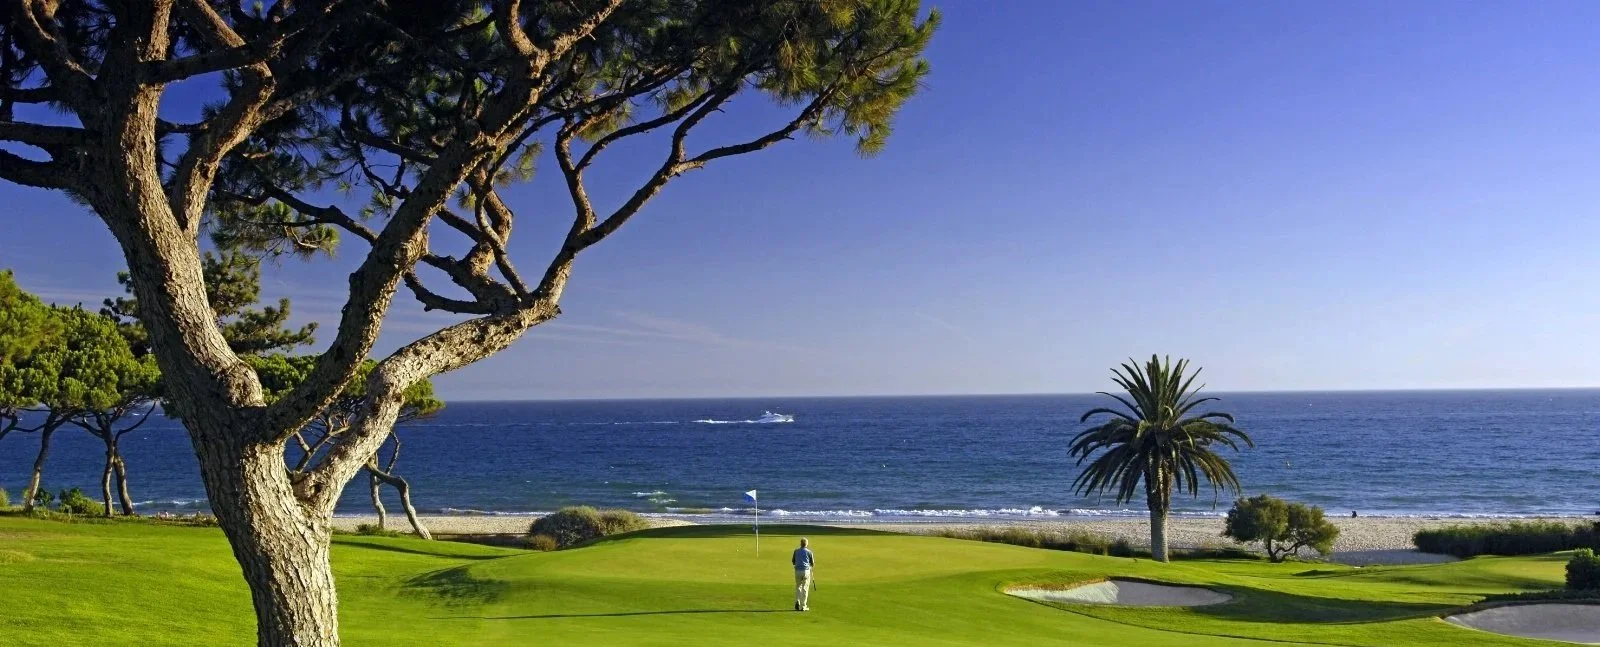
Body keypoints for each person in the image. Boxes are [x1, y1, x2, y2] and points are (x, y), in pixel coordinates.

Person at [792, 537, 815, 611]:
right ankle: (803, 606)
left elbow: (793, 561)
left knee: (798, 587)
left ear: (800, 544)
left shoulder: (796, 551)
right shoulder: (809, 552)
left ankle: (797, 602)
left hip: (798, 571)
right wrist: (810, 566)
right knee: (805, 588)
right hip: (806, 571)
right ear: (806, 544)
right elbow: (812, 563)